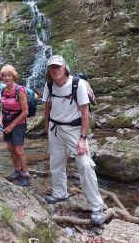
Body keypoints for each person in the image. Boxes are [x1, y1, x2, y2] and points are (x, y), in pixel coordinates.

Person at [42, 55, 104, 225]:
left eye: (58, 67)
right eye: (52, 67)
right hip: (55, 129)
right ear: (49, 70)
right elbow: (47, 106)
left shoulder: (77, 85)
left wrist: (83, 138)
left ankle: (97, 206)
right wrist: (47, 126)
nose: (55, 70)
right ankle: (59, 193)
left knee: (84, 164)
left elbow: (85, 113)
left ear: (65, 68)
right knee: (56, 162)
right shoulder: (49, 85)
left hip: (75, 130)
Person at [0, 65, 30, 187]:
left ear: (13, 76)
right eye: (4, 76)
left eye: (9, 75)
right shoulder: (3, 90)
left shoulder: (20, 90)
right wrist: (1, 119)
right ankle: (17, 170)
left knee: (18, 150)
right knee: (10, 148)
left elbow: (25, 112)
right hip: (7, 123)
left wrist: (12, 126)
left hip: (18, 124)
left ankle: (26, 174)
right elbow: (3, 107)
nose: (6, 78)